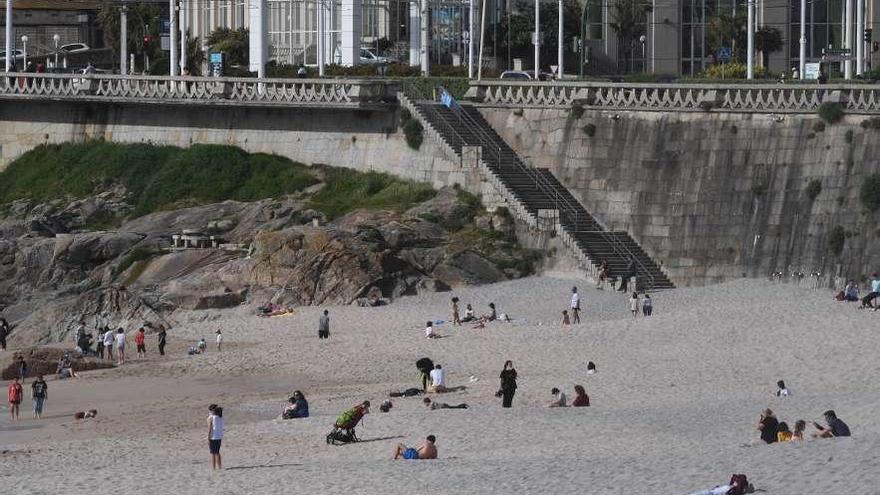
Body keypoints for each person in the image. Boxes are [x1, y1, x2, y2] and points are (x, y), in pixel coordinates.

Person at [207, 405, 224, 470]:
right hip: (219, 436)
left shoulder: (211, 418)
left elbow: (210, 429)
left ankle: (214, 468)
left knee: (213, 453)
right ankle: (220, 467)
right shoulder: (220, 417)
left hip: (213, 437)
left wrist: (208, 437)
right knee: (217, 452)